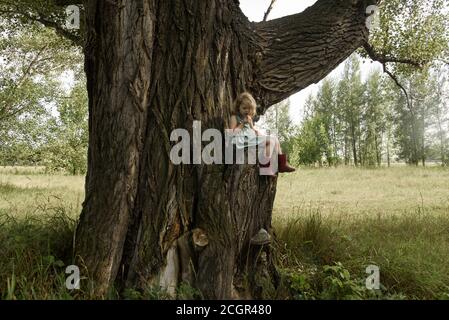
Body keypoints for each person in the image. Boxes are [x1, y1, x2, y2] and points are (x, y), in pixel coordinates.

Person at [228, 92, 295, 174]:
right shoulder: (234, 117)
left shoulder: (249, 119)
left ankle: (282, 164)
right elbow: (231, 134)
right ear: (239, 107)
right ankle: (265, 167)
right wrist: (242, 124)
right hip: (239, 141)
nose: (247, 111)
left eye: (249, 109)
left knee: (274, 140)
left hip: (249, 139)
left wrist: (256, 131)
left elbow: (252, 130)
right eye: (244, 108)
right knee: (270, 141)